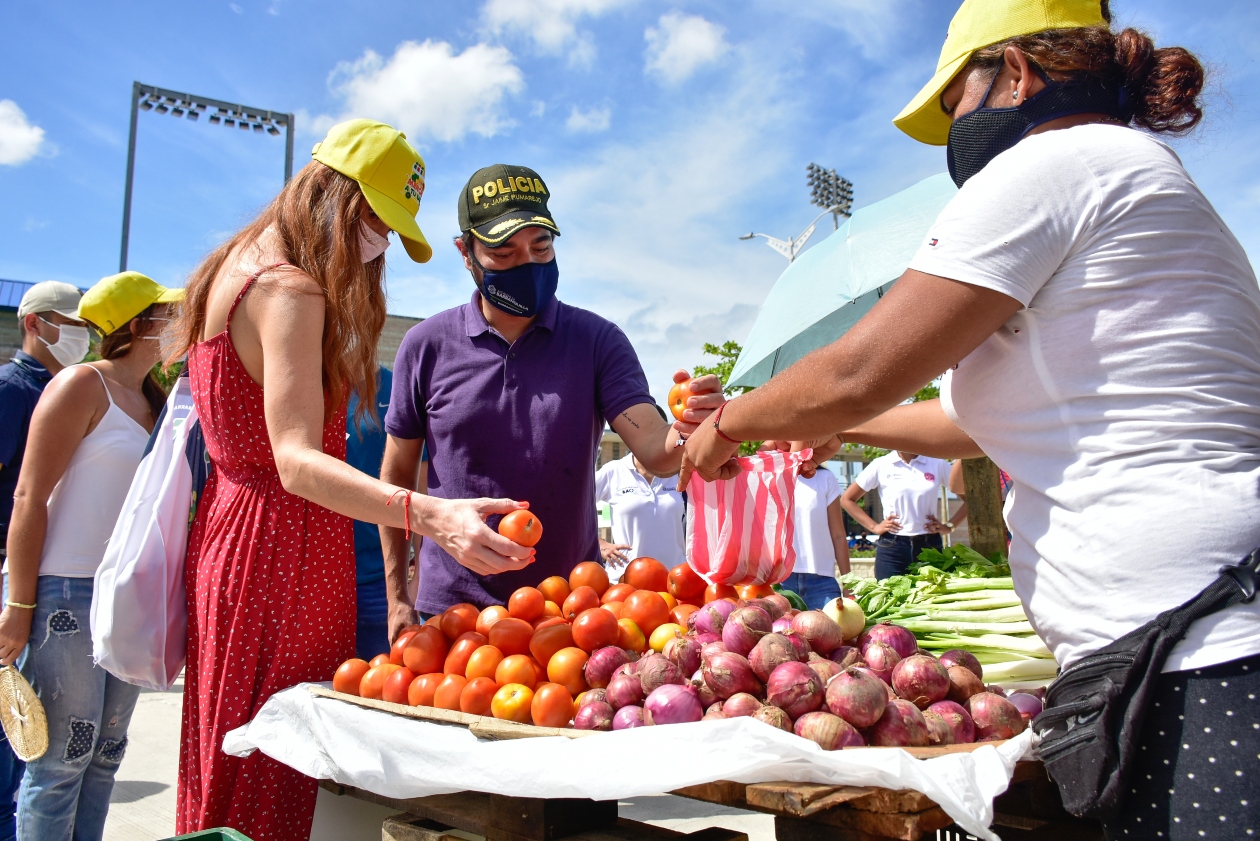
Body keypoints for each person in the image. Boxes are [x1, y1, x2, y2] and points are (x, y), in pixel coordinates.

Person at [679, 1, 1259, 834]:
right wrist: (851, 428)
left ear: (1015, 73)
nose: (957, 136)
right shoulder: (1128, 169)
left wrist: (733, 420)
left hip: (1196, 647)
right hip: (1187, 635)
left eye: (956, 107)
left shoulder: (1052, 164)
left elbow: (860, 368)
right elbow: (959, 417)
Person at [168, 120, 535, 841]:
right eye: (377, 221)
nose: (381, 245)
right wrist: (431, 514)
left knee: (230, 751)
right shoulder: (291, 289)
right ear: (336, 196)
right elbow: (297, 461)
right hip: (284, 551)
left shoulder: (232, 270)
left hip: (231, 537)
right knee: (282, 767)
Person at [381, 164, 723, 632]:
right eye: (503, 252)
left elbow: (656, 450)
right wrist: (399, 599)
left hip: (568, 612)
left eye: (540, 247)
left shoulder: (597, 341)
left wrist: (689, 428)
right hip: (451, 616)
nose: (528, 264)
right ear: (466, 253)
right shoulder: (426, 346)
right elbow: (396, 479)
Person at [0, 271, 178, 840]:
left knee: (104, 757)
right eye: (167, 315)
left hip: (122, 600)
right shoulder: (81, 385)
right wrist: (19, 601)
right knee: (59, 765)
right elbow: (29, 497)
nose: (179, 326)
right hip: (66, 596)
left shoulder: (157, 400)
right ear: (137, 325)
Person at [0, 280, 84, 838]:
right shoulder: (13, 389)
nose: (79, 336)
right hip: (14, 575)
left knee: (28, 728)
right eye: (68, 323)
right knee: (12, 726)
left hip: (38, 574)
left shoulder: (63, 386)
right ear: (36, 324)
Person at [839, 450, 951, 579]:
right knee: (889, 596)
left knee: (932, 597)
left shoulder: (937, 464)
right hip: (892, 545)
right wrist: (874, 527)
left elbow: (968, 497)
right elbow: (846, 499)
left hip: (929, 544)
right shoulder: (880, 464)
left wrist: (949, 526)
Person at [346, 364, 394, 659]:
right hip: (309, 580)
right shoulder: (302, 381)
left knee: (382, 693)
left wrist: (412, 582)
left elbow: (419, 484)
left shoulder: (394, 386)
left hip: (377, 580)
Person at [595, 450, 686, 581]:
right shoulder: (614, 471)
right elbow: (575, 505)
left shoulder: (678, 471)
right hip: (625, 579)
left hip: (675, 578)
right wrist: (600, 544)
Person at [780, 454, 849, 609]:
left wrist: (848, 583)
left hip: (822, 582)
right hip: (779, 582)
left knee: (837, 632)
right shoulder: (770, 475)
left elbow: (838, 535)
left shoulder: (826, 478)